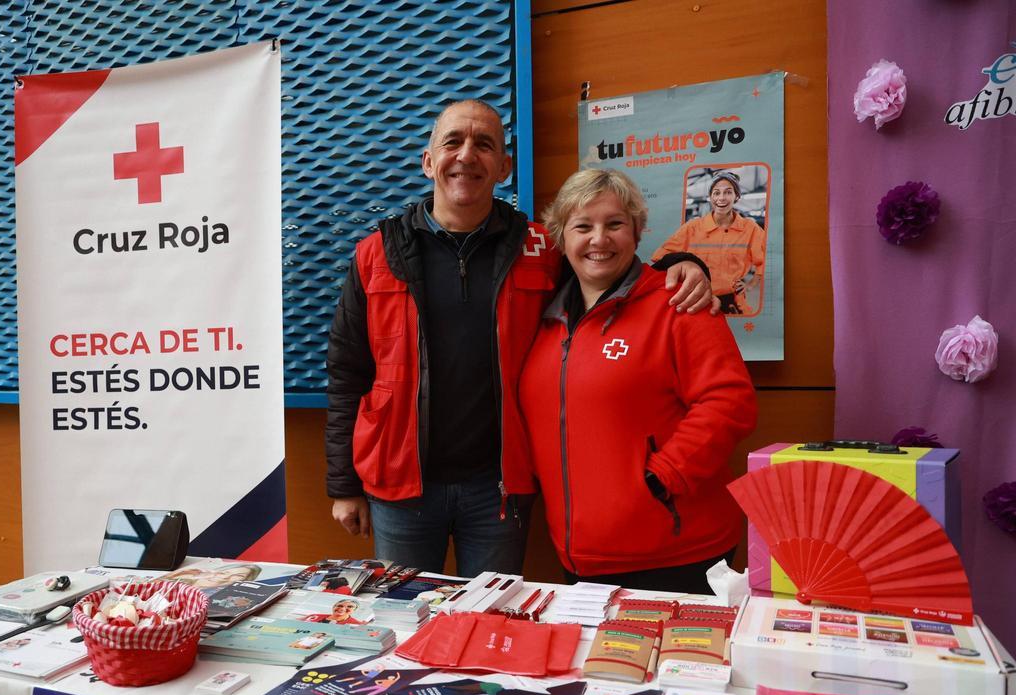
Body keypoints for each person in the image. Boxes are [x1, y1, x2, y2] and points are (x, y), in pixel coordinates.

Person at [325, 99, 717, 578]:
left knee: (491, 624)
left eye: (484, 144)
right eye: (453, 141)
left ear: (504, 167)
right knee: (401, 621)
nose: (467, 155)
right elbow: (348, 373)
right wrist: (343, 484)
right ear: (428, 161)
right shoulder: (375, 253)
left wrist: (683, 266)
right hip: (401, 487)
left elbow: (611, 275)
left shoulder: (539, 249)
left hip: (500, 489)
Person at [518, 169, 757, 594]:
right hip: (580, 556)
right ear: (560, 237)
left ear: (637, 230)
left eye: (614, 224)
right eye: (583, 226)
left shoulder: (678, 302)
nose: (599, 239)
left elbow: (729, 402)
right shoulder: (543, 318)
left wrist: (662, 478)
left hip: (674, 552)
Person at [652, 170, 766, 315]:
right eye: (716, 193)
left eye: (728, 192)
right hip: (697, 299)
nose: (721, 198)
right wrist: (684, 267)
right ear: (710, 197)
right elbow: (661, 257)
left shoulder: (750, 229)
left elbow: (764, 259)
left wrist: (750, 285)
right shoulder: (692, 228)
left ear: (736, 196)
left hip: (732, 300)